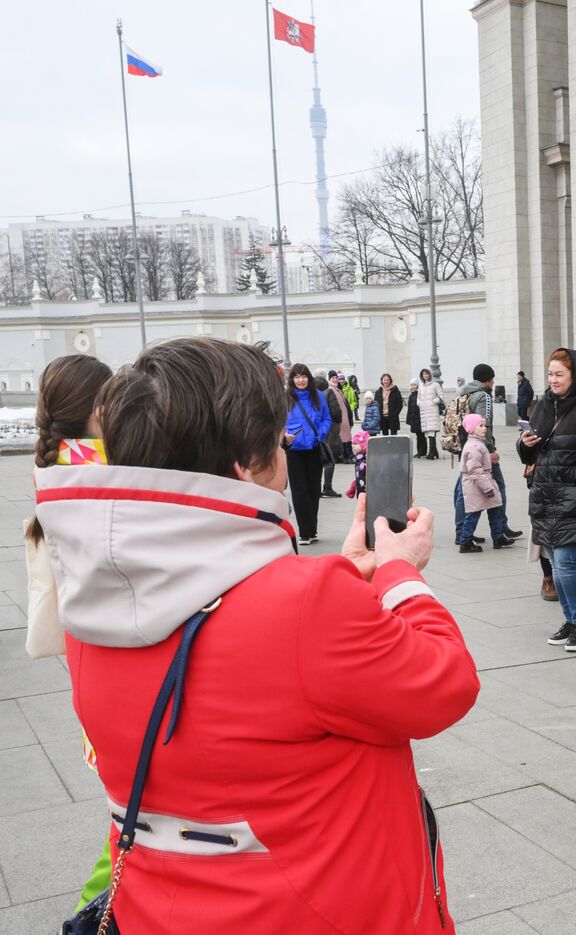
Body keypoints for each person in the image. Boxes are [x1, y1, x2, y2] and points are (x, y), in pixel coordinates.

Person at [35, 336, 479, 933]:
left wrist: (345, 576)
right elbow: (444, 683)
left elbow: (236, 633)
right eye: (277, 441)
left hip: (160, 908)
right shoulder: (309, 604)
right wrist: (400, 572)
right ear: (246, 467)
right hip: (319, 908)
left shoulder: (93, 590)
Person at [23, 354, 114, 910]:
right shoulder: (99, 461)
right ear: (98, 404)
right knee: (129, 818)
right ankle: (92, 912)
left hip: (89, 650)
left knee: (125, 805)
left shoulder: (57, 461)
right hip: (119, 645)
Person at [520, 348, 576, 651]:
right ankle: (571, 619)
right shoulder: (544, 404)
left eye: (560, 374)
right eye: (550, 373)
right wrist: (525, 444)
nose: (553, 379)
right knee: (556, 565)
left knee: (567, 561)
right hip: (545, 496)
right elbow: (531, 453)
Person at [458, 364, 521, 547]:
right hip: (480, 449)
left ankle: (461, 531)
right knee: (497, 489)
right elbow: (484, 424)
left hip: (467, 445)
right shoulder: (483, 396)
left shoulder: (466, 393)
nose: (493, 383)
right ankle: (498, 529)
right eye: (492, 379)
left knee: (463, 490)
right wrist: (490, 450)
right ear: (488, 379)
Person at [284, 363, 333, 545]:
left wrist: (321, 433)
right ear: (292, 379)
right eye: (297, 377)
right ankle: (305, 532)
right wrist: (284, 435)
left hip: (314, 448)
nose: (301, 380)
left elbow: (327, 418)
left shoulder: (318, 396)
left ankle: (312, 530)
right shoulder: (285, 398)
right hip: (294, 450)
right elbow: (278, 419)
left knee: (313, 489)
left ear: (309, 378)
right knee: (299, 491)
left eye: (303, 376)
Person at [457, 414, 505, 553]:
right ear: (472, 428)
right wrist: (488, 487)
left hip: (481, 482)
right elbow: (475, 471)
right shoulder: (474, 446)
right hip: (477, 485)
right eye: (481, 425)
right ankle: (465, 541)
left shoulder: (477, 443)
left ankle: (498, 536)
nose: (484, 429)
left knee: (495, 508)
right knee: (473, 513)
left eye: (485, 426)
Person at [316, 375, 344, 498]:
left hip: (316, 431)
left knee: (317, 461)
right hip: (329, 430)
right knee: (329, 458)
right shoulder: (329, 393)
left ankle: (317, 488)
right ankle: (327, 487)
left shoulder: (311, 395)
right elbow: (336, 412)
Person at [417, 367, 444, 460]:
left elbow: (441, 396)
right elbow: (418, 397)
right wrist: (419, 403)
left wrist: (434, 401)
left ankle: (431, 452)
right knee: (427, 432)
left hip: (432, 410)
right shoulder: (421, 386)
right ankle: (434, 451)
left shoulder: (435, 384)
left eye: (427, 373)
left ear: (430, 374)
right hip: (424, 411)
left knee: (432, 431)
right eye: (424, 374)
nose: (425, 375)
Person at [325, 371, 353, 462]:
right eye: (333, 378)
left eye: (336, 378)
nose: (335, 379)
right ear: (329, 379)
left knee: (344, 436)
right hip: (339, 418)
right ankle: (346, 456)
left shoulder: (337, 389)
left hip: (343, 417)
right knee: (342, 437)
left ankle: (343, 456)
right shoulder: (331, 390)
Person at [406, 381, 423, 455]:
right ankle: (419, 451)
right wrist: (409, 419)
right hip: (414, 418)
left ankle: (422, 451)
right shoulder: (411, 396)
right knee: (418, 435)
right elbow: (409, 408)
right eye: (412, 385)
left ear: (417, 385)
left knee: (421, 435)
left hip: (419, 418)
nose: (413, 386)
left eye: (415, 385)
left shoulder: (420, 394)